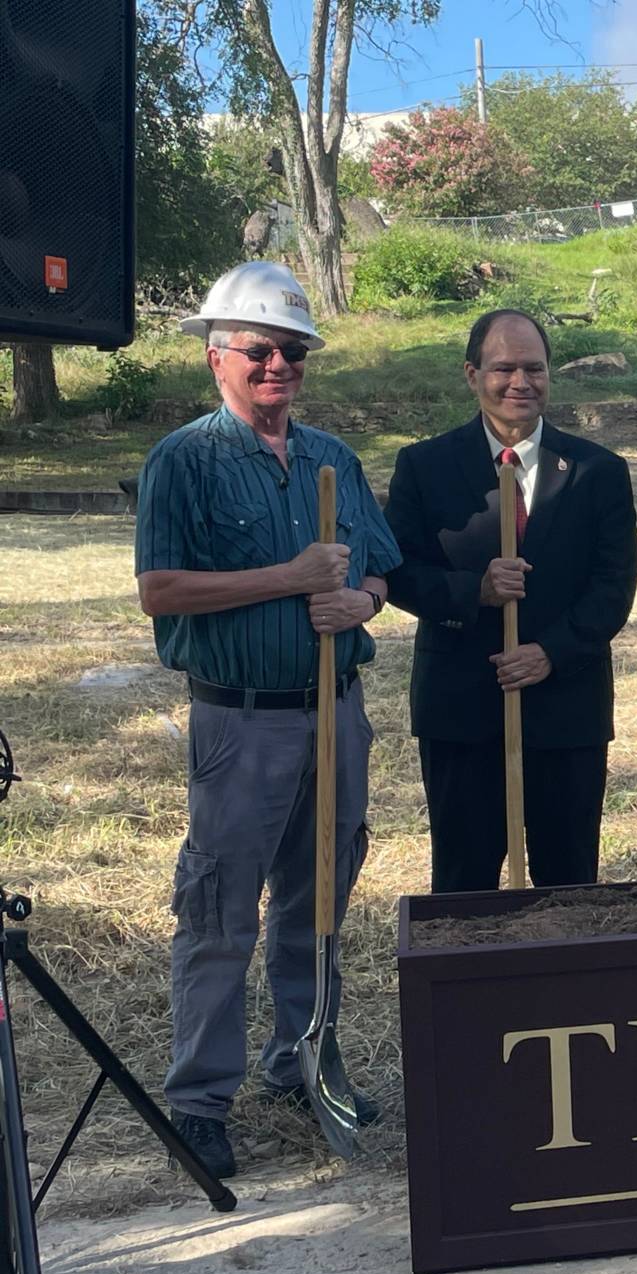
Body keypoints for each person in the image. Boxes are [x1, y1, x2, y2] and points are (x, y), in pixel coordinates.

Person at [134, 261, 401, 1178]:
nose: (277, 366)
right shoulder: (186, 460)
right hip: (241, 727)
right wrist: (287, 580)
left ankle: (304, 1063)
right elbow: (159, 590)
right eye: (260, 350)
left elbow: (380, 569)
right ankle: (201, 1099)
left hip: (335, 713)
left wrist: (359, 604)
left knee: (318, 899)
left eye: (293, 352)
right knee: (218, 911)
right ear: (218, 357)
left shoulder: (334, 458)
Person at [382, 309, 637, 892]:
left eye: (534, 368)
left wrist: (550, 652)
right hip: (463, 712)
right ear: (472, 374)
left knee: (567, 883)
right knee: (463, 885)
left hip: (566, 709)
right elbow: (395, 569)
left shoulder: (598, 471)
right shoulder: (424, 467)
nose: (520, 383)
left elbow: (615, 582)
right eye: (504, 369)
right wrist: (472, 590)